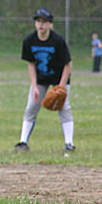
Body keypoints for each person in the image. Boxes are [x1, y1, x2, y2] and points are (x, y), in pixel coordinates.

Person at [14, 8, 75, 153]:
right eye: (38, 21)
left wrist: (61, 86)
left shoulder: (58, 41)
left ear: (50, 24)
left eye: (44, 21)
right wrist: (34, 86)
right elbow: (31, 63)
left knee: (64, 108)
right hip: (40, 78)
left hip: (60, 77)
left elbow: (68, 64)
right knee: (31, 107)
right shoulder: (29, 40)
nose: (41, 24)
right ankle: (23, 142)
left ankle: (69, 144)